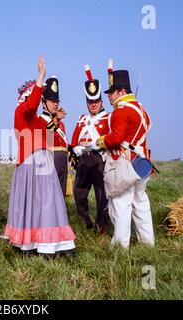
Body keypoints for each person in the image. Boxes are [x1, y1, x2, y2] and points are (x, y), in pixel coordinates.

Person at [5, 57, 76, 256]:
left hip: (40, 162)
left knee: (44, 203)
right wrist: (40, 77)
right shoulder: (22, 111)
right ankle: (31, 244)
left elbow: (48, 134)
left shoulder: (35, 119)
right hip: (32, 163)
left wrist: (54, 119)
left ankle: (48, 243)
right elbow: (31, 106)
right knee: (37, 203)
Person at [96, 60, 155, 248]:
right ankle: (148, 244)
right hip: (142, 163)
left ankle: (121, 247)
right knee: (141, 204)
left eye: (111, 92)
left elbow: (115, 138)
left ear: (121, 92)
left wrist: (101, 141)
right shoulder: (142, 110)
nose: (109, 97)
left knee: (122, 204)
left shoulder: (121, 111)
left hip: (125, 164)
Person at [69, 65, 109, 233]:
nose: (93, 105)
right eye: (90, 102)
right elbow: (72, 140)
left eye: (96, 101)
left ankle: (102, 227)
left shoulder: (108, 118)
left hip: (99, 159)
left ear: (102, 101)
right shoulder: (81, 119)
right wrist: (74, 153)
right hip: (83, 161)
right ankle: (86, 222)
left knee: (102, 196)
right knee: (79, 194)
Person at [40, 77, 69, 195]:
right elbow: (45, 139)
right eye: (52, 101)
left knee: (61, 197)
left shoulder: (61, 124)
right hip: (48, 161)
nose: (55, 104)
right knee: (48, 196)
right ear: (43, 103)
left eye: (57, 101)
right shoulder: (39, 120)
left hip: (62, 163)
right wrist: (56, 121)